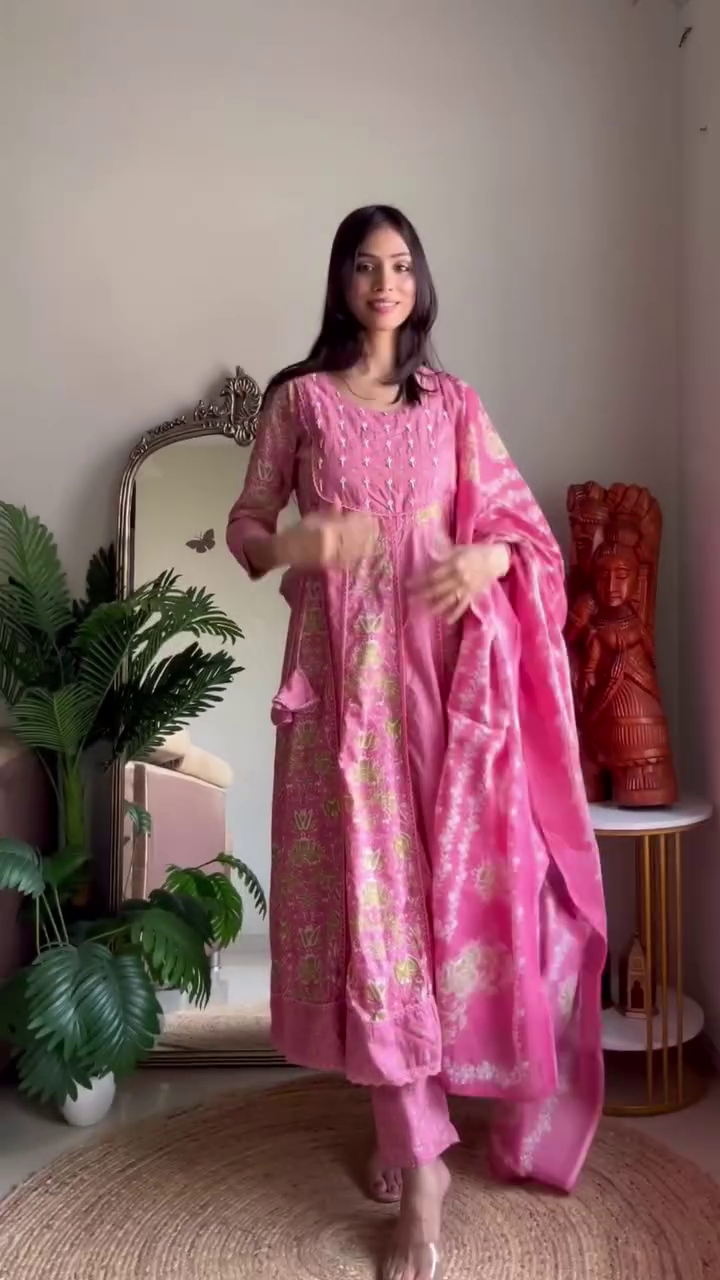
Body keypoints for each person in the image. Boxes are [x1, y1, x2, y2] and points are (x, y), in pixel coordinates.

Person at [227, 205, 607, 1280]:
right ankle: (424, 1164)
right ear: (341, 281)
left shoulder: (455, 405)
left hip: (452, 693)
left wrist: (490, 561)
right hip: (344, 701)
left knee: (437, 912)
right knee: (375, 910)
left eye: (400, 264)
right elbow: (246, 528)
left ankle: (412, 1120)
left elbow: (523, 534)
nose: (384, 281)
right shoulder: (299, 401)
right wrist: (297, 543)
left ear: (419, 280)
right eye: (365, 264)